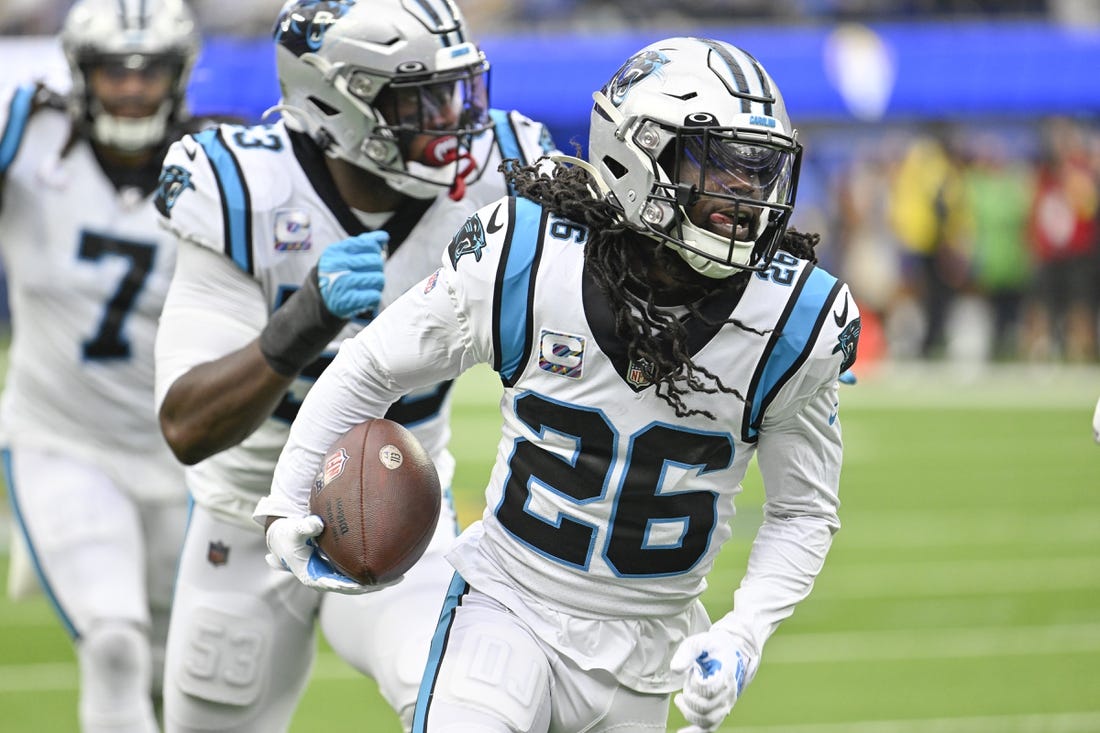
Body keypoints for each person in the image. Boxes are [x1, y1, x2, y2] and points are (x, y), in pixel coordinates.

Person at [262, 36, 860, 733]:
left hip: (647, 654)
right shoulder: (530, 254)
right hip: (510, 607)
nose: (745, 194)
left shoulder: (793, 319)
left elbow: (802, 512)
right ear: (636, 153)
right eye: (719, 166)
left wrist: (742, 634)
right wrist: (284, 499)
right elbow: (372, 365)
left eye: (759, 172)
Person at [152, 0, 556, 731]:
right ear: (334, 103)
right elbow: (186, 422)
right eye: (421, 100)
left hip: (407, 508)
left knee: (470, 710)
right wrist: (302, 321)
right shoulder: (246, 187)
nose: (455, 121)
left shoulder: (504, 176)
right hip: (245, 518)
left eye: (459, 91)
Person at [0, 0, 205, 730]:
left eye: (148, 71)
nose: (129, 88)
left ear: (178, 74)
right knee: (114, 642)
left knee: (177, 662)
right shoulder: (29, 141)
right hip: (63, 441)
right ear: (79, 73)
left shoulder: (213, 166)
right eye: (112, 70)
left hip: (184, 455)